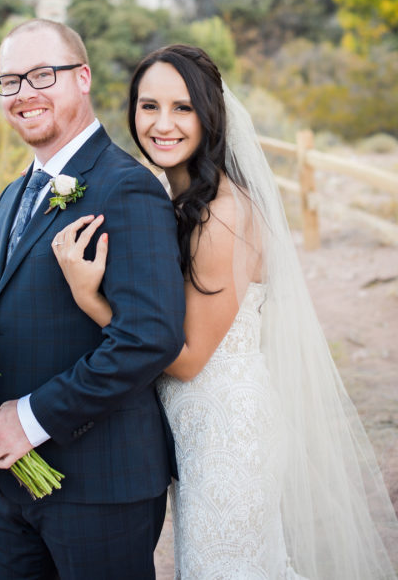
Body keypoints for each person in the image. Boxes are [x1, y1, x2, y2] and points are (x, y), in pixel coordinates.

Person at [52, 43, 398, 580]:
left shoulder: (223, 215)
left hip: (228, 436)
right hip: (195, 432)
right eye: (149, 106)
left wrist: (88, 298)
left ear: (210, 114)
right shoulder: (175, 199)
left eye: (182, 108)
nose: (162, 124)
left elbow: (188, 360)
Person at [0, 19, 186, 579]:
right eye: (9, 81)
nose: (24, 93)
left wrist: (30, 420)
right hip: (7, 482)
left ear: (81, 78)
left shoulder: (126, 186)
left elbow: (149, 337)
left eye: (41, 75)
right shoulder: (13, 195)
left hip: (97, 484)